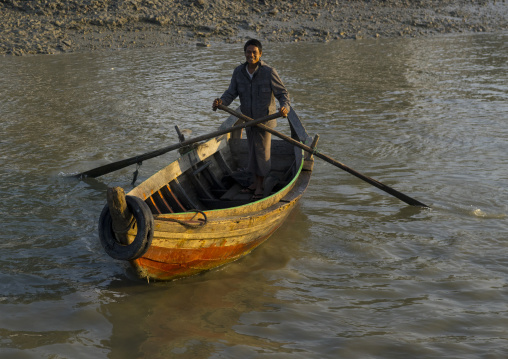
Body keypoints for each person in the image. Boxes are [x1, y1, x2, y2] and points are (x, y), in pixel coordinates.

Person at [213, 39, 290, 200]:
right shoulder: (239, 72)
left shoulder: (269, 72)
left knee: (262, 153)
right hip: (247, 119)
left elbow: (282, 94)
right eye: (248, 52)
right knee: (252, 152)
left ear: (260, 54)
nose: (251, 55)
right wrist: (221, 102)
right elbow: (230, 93)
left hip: (265, 120)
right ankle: (255, 183)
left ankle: (260, 187)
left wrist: (285, 108)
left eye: (254, 52)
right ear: (245, 53)